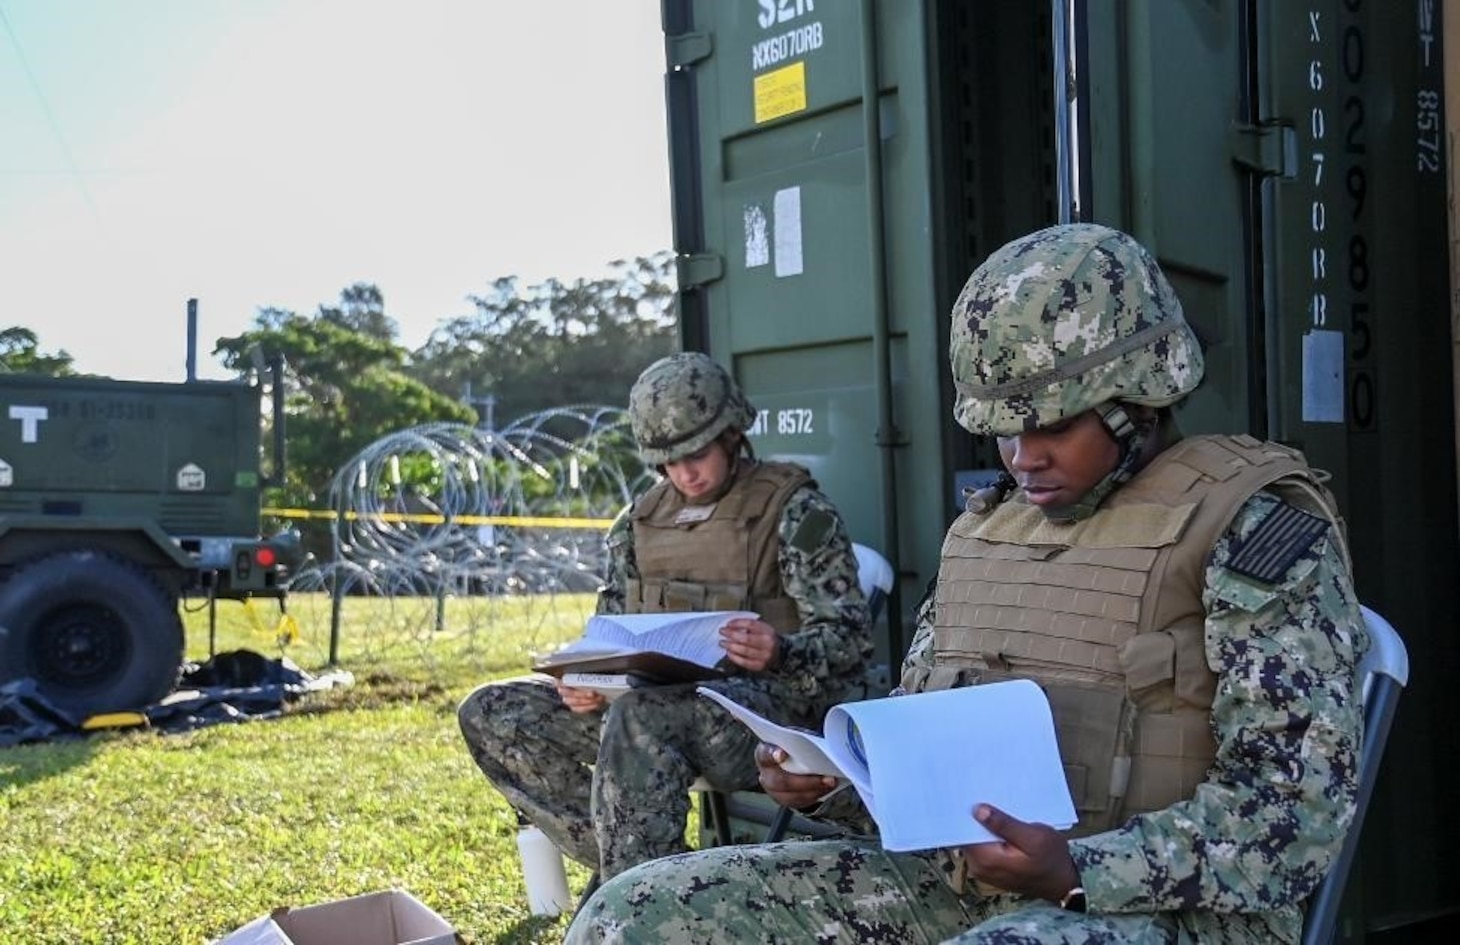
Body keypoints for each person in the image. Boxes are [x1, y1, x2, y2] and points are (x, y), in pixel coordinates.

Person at [565, 223, 1369, 943]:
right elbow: (920, 773)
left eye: (1051, 423)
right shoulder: (986, 532)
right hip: (969, 886)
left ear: (1137, 400)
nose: (1023, 457)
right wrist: (830, 786)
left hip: (1168, 906)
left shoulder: (1251, 529)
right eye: (1004, 428)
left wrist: (1079, 870)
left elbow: (1293, 818)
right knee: (632, 914)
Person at [457, 351, 873, 882]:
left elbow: (852, 642)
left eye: (695, 452)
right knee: (491, 710)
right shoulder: (638, 523)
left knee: (640, 718)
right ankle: (634, 871)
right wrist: (586, 683)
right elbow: (607, 634)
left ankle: (634, 886)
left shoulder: (794, 510)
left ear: (730, 433)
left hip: (761, 721)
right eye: (667, 461)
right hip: (643, 718)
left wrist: (781, 650)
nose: (685, 472)